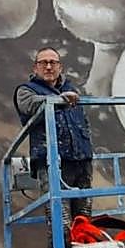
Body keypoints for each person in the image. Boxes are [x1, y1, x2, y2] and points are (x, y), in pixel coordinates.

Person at [14, 46, 94, 236]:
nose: (48, 67)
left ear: (60, 67)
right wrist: (59, 100)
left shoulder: (72, 89)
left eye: (53, 62)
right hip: (52, 164)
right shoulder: (26, 91)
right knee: (61, 224)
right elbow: (30, 105)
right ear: (35, 68)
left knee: (84, 221)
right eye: (43, 63)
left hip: (82, 162)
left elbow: (84, 121)